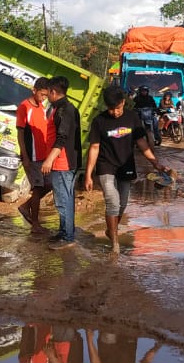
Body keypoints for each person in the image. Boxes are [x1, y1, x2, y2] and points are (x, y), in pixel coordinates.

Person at [84, 85, 168, 254]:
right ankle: (115, 244)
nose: (114, 112)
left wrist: (155, 163)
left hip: (126, 165)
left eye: (117, 108)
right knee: (112, 202)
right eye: (110, 109)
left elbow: (141, 143)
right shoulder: (99, 121)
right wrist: (88, 175)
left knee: (122, 204)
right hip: (105, 165)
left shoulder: (132, 118)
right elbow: (94, 148)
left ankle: (111, 230)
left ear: (123, 102)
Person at [40, 75, 80, 249]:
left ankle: (68, 237)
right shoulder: (59, 108)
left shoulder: (65, 110)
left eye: (48, 92)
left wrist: (49, 160)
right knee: (63, 198)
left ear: (53, 92)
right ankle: (64, 232)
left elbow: (61, 138)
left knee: (64, 200)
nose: (47, 95)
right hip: (60, 161)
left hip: (63, 162)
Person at [15, 76, 52, 234]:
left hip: (44, 155)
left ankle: (25, 206)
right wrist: (25, 157)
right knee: (37, 188)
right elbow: (20, 133)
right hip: (33, 155)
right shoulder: (24, 107)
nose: (44, 99)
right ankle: (35, 224)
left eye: (46, 96)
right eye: (42, 95)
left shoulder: (41, 107)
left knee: (49, 185)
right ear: (34, 90)